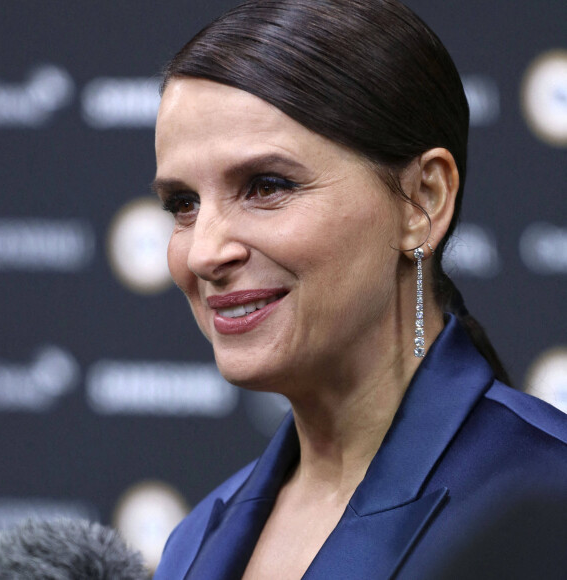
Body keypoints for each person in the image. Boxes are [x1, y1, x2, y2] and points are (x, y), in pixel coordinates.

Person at [151, 0, 567, 578]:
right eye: (183, 204)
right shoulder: (193, 543)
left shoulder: (551, 501)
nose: (204, 252)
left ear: (423, 201)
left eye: (266, 186)